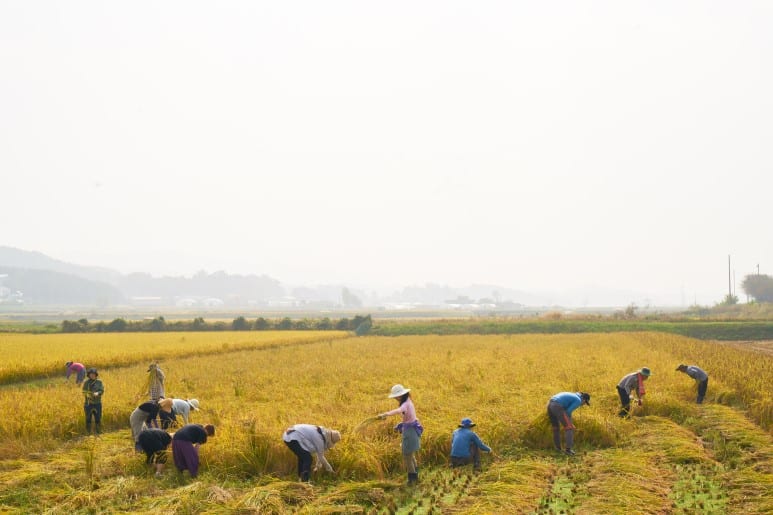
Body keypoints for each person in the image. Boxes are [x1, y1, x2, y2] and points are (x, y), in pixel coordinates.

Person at [378, 384, 423, 485]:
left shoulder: (405, 405)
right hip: (411, 430)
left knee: (407, 455)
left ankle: (412, 479)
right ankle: (416, 475)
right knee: (411, 455)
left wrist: (386, 414)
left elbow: (399, 410)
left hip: (410, 432)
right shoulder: (408, 401)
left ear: (400, 396)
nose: (395, 399)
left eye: (395, 397)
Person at [82, 368, 104, 434]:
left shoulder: (99, 382)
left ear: (96, 374)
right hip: (88, 404)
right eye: (91, 374)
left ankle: (98, 431)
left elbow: (102, 390)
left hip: (97, 403)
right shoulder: (86, 383)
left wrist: (97, 393)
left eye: (93, 374)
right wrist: (89, 395)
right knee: (88, 419)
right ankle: (88, 432)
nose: (92, 375)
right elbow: (84, 392)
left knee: (98, 418)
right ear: (88, 375)